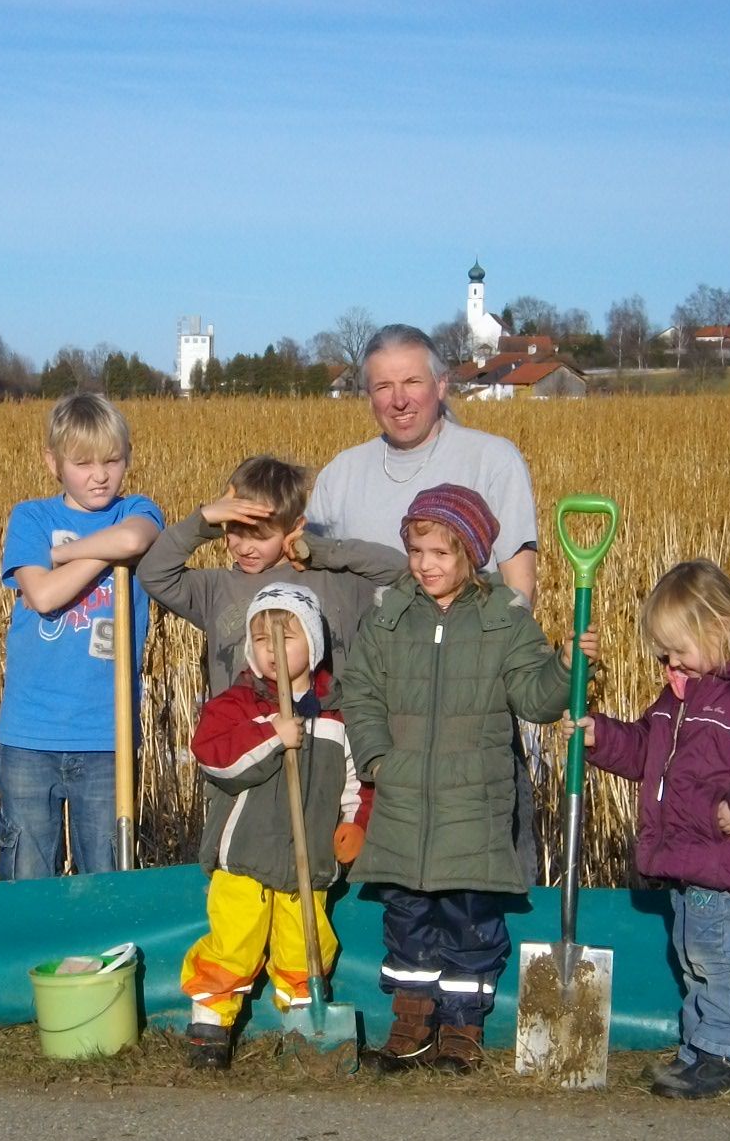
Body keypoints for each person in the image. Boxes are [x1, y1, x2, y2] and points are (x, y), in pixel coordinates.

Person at [341, 484, 592, 1073]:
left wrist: (565, 667)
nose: (426, 565)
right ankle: (410, 1027)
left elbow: (535, 700)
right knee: (406, 924)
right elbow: (360, 690)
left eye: (441, 554)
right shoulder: (388, 615)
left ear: (471, 555)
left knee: (470, 924)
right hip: (404, 800)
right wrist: (377, 759)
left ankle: (462, 1032)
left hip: (474, 804)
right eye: (416, 551)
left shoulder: (503, 620)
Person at [576, 559, 730, 1099]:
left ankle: (725, 1054)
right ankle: (698, 1050)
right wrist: (601, 738)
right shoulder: (679, 698)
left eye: (678, 649)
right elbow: (646, 746)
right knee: (693, 954)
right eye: (663, 654)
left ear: (719, 628)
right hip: (690, 856)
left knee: (712, 953)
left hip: (725, 854)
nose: (670, 663)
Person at [307, 323, 545, 879]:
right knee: (376, 858)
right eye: (382, 386)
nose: (399, 398)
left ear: (441, 384)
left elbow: (518, 586)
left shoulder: (491, 459)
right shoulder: (342, 474)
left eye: (412, 381)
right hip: (373, 709)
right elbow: (309, 574)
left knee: (486, 862)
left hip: (468, 706)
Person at [179, 583, 364, 1069]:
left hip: (309, 866)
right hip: (245, 860)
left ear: (314, 647)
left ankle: (306, 1030)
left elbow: (353, 781)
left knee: (307, 946)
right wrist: (271, 735)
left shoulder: (335, 717)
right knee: (232, 946)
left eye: (287, 638)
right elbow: (216, 760)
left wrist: (353, 823)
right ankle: (210, 1027)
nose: (273, 651)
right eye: (262, 640)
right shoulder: (236, 706)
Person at [0, 392, 163, 879]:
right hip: (30, 734)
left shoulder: (137, 509)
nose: (100, 475)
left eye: (112, 460)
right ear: (53, 462)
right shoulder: (32, 517)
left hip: (107, 733)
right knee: (26, 871)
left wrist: (64, 556)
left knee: (108, 872)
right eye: (83, 462)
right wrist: (105, 556)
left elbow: (132, 540)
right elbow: (43, 596)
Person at [138, 454, 405, 695]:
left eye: (260, 537)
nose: (244, 548)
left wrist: (321, 549)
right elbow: (153, 573)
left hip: (326, 738)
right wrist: (202, 521)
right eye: (233, 532)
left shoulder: (333, 581)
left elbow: (401, 572)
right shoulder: (215, 589)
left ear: (295, 526)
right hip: (245, 742)